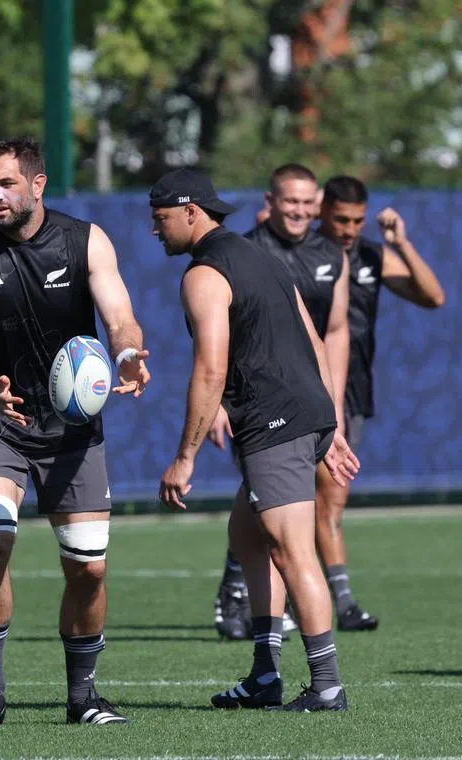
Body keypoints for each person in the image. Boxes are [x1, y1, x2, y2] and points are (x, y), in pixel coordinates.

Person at [0, 137, 150, 729]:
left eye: (6, 183)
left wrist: (129, 351)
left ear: (37, 184)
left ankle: (83, 696)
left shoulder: (85, 239)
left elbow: (117, 314)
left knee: (87, 568)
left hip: (72, 428)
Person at [153, 167, 360, 712]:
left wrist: (184, 457)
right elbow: (313, 336)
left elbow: (210, 369)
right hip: (302, 413)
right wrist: (329, 422)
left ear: (191, 212)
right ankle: (265, 674)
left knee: (292, 549)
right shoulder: (260, 255)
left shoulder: (205, 273)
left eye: (162, 219)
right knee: (247, 535)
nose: (156, 230)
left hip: (275, 421)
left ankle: (326, 684)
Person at [209, 164, 349, 641]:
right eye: (292, 201)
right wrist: (221, 400)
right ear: (270, 201)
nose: (301, 211)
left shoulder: (331, 253)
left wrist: (334, 410)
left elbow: (329, 333)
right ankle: (247, 608)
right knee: (265, 512)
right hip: (260, 403)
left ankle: (311, 670)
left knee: (277, 523)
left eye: (309, 203)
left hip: (305, 399)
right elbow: (222, 341)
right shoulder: (246, 252)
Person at [315, 176, 445, 629]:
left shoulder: (371, 255)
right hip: (304, 386)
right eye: (340, 219)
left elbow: (434, 297)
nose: (349, 229)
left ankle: (322, 600)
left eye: (357, 221)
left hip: (352, 389)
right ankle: (337, 601)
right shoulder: (304, 253)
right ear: (321, 212)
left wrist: (402, 244)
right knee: (304, 496)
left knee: (330, 498)